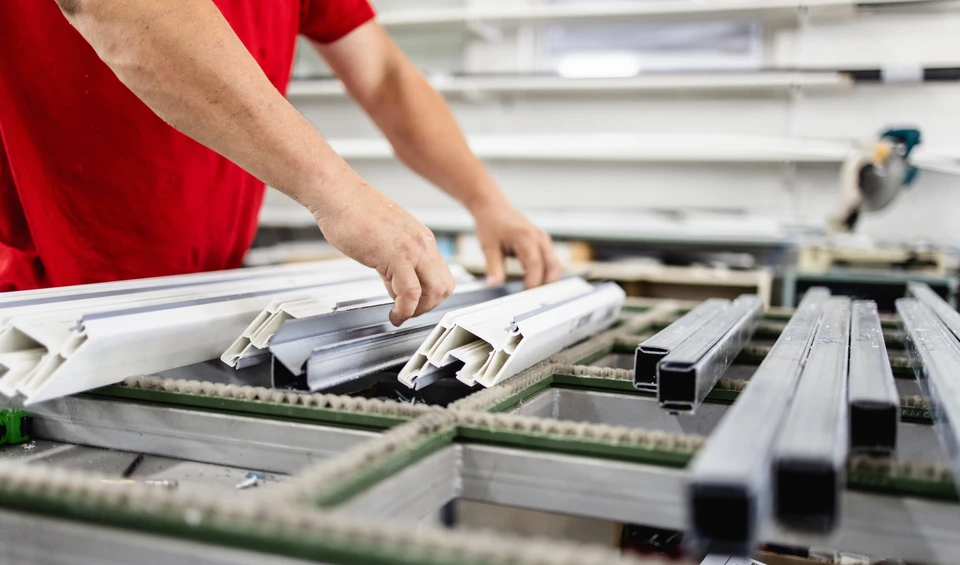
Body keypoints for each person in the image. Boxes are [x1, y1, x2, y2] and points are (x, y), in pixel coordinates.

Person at [0, 0, 562, 326]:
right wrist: (341, 196)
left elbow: (385, 79)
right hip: (35, 306)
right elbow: (124, 11)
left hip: (194, 302)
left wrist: (486, 202)